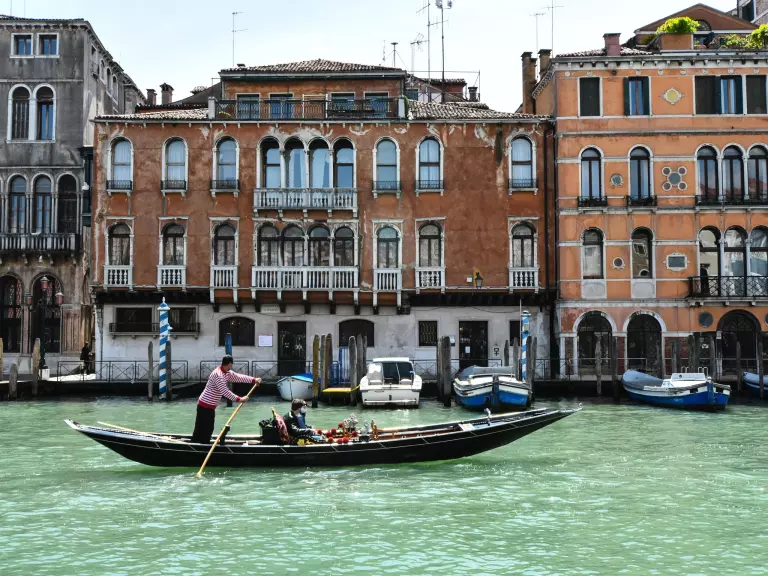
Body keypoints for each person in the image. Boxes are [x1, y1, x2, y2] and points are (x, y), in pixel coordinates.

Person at [191, 355, 261, 444]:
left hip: (210, 407)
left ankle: (201, 443)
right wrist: (239, 399)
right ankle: (200, 444)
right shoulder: (218, 374)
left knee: (206, 428)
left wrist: (254, 380)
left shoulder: (227, 373)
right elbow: (225, 391)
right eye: (231, 365)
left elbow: (239, 377)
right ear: (229, 364)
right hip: (204, 405)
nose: (231, 366)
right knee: (204, 429)